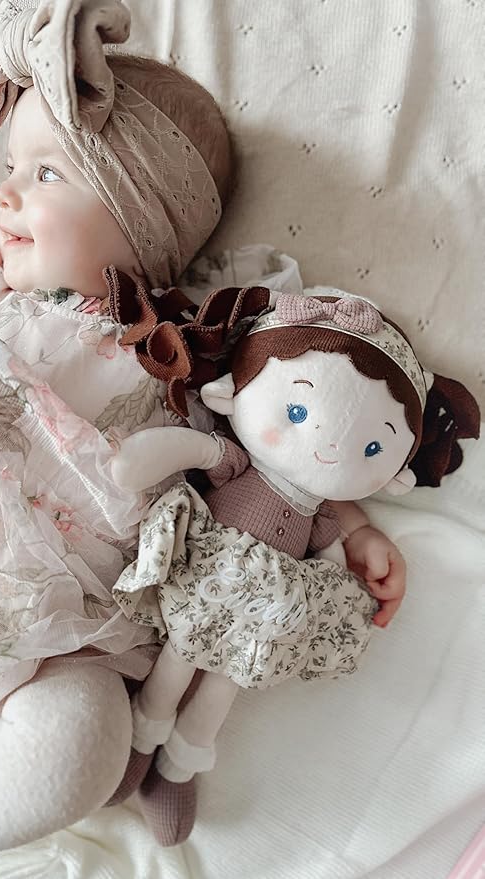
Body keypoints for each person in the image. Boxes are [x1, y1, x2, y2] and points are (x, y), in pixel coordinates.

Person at [0, 1, 407, 873]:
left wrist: (352, 527)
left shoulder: (186, 359)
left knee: (87, 745)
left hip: (57, 628)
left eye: (46, 173)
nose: (4, 193)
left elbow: (287, 453)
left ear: (144, 215)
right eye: (10, 167)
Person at [106, 290, 480, 845]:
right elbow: (197, 452)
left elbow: (330, 568)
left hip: (262, 626)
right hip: (203, 594)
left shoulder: (323, 514)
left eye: (372, 449)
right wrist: (135, 461)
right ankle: (142, 739)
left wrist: (358, 545)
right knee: (176, 663)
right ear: (232, 393)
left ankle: (178, 767)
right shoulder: (237, 464)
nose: (327, 449)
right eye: (298, 412)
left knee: (224, 689)